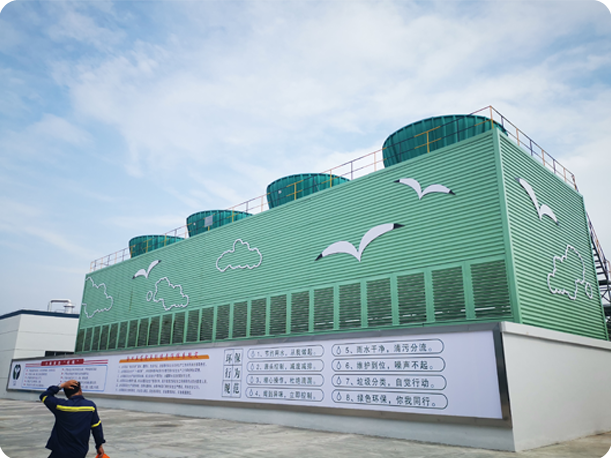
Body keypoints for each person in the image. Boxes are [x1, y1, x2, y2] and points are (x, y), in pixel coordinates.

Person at [40, 379, 106, 458]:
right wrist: (99, 445)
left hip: (60, 451)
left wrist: (61, 386)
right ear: (80, 389)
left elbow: (44, 396)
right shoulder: (90, 407)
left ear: (65, 393)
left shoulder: (61, 406)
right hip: (80, 451)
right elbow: (96, 427)